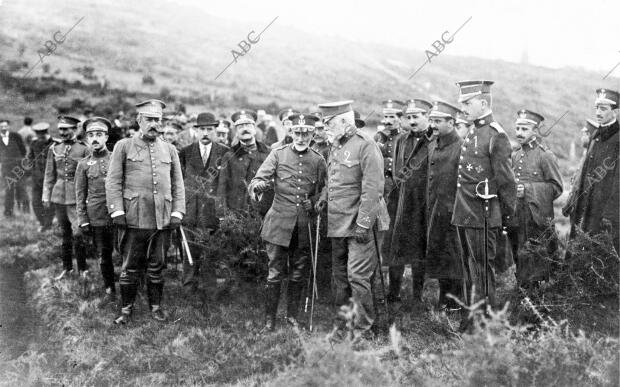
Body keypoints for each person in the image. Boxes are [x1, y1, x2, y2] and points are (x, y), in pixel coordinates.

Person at [106, 99, 185, 324]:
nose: (154, 124)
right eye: (149, 119)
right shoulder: (123, 146)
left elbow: (177, 184)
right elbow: (113, 182)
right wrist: (116, 211)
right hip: (133, 217)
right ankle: (126, 309)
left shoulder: (170, 149)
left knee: (157, 266)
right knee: (130, 267)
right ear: (139, 120)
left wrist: (178, 212)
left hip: (162, 218)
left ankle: (156, 308)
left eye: (157, 120)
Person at [315, 100, 387, 337]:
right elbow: (333, 181)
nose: (325, 128)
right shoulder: (335, 145)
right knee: (340, 278)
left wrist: (364, 224)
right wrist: (324, 197)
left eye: (329, 123)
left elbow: (373, 189)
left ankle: (364, 329)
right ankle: (344, 325)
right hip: (338, 223)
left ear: (345, 122)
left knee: (358, 277)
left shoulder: (366, 145)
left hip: (359, 224)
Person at [249, 113, 327, 330]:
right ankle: (269, 320)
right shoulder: (277, 154)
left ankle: (292, 317)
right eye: (297, 132)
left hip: (303, 226)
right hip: (278, 225)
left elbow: (325, 188)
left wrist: (316, 201)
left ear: (313, 134)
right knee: (274, 272)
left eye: (307, 133)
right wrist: (259, 186)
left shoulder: (318, 160)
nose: (302, 137)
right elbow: (257, 179)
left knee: (299, 272)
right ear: (291, 132)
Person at [453, 80, 516, 323]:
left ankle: (486, 319)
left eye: (467, 103)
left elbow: (506, 182)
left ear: (483, 102)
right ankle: (475, 314)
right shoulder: (474, 130)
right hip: (466, 211)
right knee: (471, 267)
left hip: (484, 213)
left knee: (482, 269)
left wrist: (507, 217)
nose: (463, 109)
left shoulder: (495, 135)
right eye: (462, 104)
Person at [382, 98, 434, 306]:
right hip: (402, 201)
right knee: (397, 247)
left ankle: (417, 296)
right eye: (409, 117)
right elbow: (396, 170)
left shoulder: (433, 140)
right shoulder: (401, 140)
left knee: (419, 249)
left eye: (417, 117)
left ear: (427, 117)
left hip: (423, 202)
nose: (412, 121)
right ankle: (393, 293)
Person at [506, 110, 563, 286]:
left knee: (534, 256)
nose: (519, 133)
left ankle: (534, 297)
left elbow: (556, 187)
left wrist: (529, 190)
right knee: (518, 254)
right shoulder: (515, 155)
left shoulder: (545, 155)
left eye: (524, 129)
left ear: (535, 131)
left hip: (535, 218)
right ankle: (522, 292)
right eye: (517, 128)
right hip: (516, 216)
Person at [179, 112, 230, 293]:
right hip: (190, 211)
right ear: (197, 131)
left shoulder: (224, 152)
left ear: (215, 130)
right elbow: (178, 182)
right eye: (202, 129)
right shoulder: (185, 152)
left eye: (210, 129)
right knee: (189, 252)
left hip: (212, 211)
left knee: (210, 252)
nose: (206, 133)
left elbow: (226, 184)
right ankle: (188, 289)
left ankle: (210, 289)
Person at [567, 89, 619, 254]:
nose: (598, 112)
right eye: (597, 108)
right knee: (578, 255)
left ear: (616, 111)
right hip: (585, 208)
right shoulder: (596, 136)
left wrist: (610, 215)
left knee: (598, 258)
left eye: (603, 109)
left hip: (603, 213)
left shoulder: (618, 139)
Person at [426, 101, 465, 309]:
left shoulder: (461, 147)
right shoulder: (434, 145)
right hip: (435, 212)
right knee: (440, 257)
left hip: (453, 215)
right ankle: (444, 300)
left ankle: (455, 304)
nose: (433, 124)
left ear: (451, 122)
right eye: (431, 120)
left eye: (437, 121)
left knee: (454, 260)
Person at [42, 116, 90, 278]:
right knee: (65, 234)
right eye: (60, 129)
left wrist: (88, 197)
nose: (62, 132)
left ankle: (83, 269)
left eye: (66, 129)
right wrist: (46, 195)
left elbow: (89, 175)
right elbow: (49, 174)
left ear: (74, 129)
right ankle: (67, 268)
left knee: (78, 234)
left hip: (76, 197)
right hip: (58, 197)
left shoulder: (84, 149)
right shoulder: (54, 148)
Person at [75, 117, 116, 303]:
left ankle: (133, 284)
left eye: (99, 134)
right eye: (91, 135)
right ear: (87, 139)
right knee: (104, 255)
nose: (95, 139)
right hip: (98, 217)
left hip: (120, 215)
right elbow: (79, 194)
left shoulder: (117, 158)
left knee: (128, 253)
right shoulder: (83, 164)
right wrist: (83, 219)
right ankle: (110, 288)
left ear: (106, 137)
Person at [218, 110, 271, 212]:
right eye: (240, 127)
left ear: (255, 129)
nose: (245, 129)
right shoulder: (229, 155)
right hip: (236, 212)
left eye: (248, 125)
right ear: (236, 132)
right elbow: (222, 187)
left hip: (262, 211)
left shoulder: (269, 153)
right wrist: (222, 214)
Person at [28, 122, 58, 231]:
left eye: (42, 136)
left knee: (49, 203)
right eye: (38, 135)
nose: (40, 139)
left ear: (46, 133)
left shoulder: (55, 144)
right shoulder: (34, 143)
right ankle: (42, 223)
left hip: (51, 180)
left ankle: (47, 224)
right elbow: (30, 158)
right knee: (35, 203)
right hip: (37, 179)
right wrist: (32, 171)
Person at [374, 100, 404, 198]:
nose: (388, 120)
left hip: (397, 185)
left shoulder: (404, 137)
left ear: (400, 119)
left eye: (392, 117)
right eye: (386, 117)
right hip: (380, 184)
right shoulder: (379, 136)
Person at [0, 119, 27, 217]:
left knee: (22, 188)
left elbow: (23, 151)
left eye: (5, 126)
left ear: (8, 126)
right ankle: (8, 212)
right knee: (9, 190)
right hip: (6, 168)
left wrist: (20, 162)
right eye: (1, 126)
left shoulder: (16, 136)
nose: (3, 128)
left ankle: (25, 211)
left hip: (18, 167)